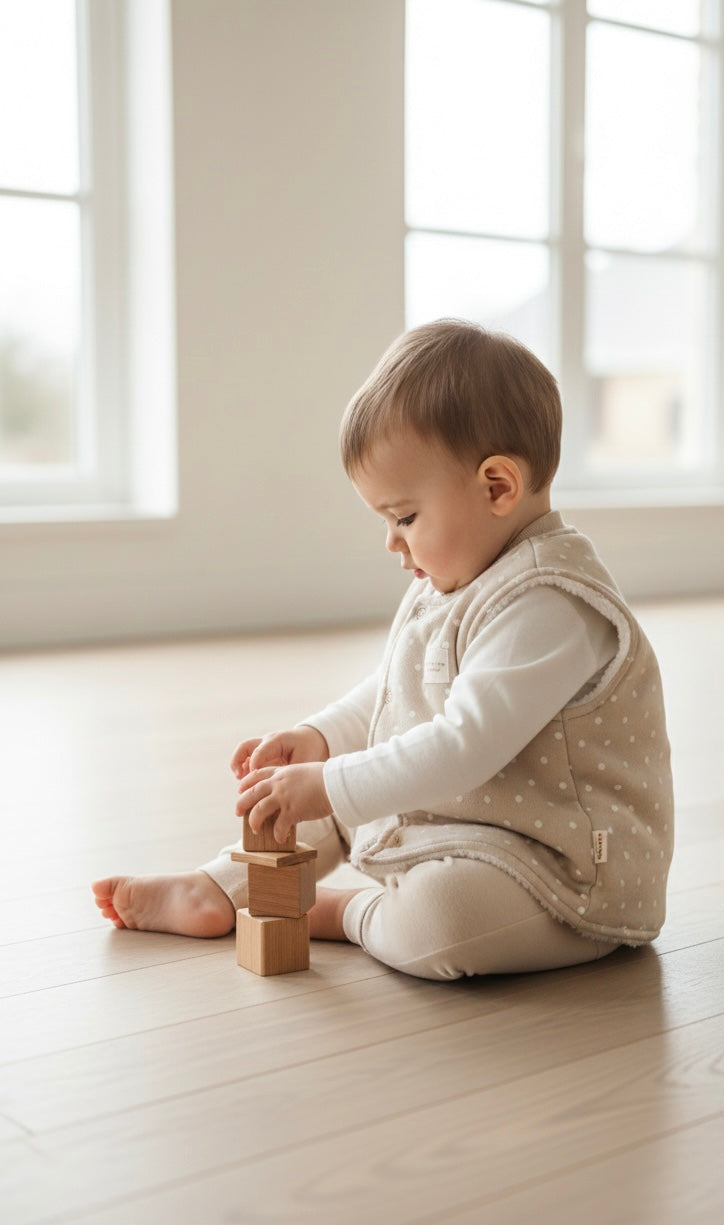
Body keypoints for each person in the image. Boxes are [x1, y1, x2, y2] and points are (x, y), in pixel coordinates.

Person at [93, 320, 673, 980]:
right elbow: (395, 690)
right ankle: (221, 887)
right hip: (467, 823)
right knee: (313, 809)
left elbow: (464, 746)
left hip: (564, 876)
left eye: (404, 517)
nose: (392, 541)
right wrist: (321, 740)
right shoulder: (457, 577)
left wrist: (332, 784)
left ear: (497, 487)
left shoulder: (550, 602)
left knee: (444, 920)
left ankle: (342, 912)